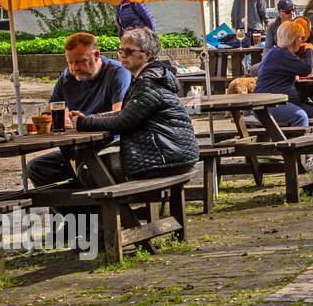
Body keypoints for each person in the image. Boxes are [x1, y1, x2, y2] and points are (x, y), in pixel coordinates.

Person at [70, 27, 199, 181]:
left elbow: (124, 121)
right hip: (173, 154)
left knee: (88, 170)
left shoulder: (149, 83)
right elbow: (127, 113)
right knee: (89, 167)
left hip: (164, 158)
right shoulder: (149, 78)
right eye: (120, 50)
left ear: (147, 55)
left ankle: (113, 206)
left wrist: (84, 122)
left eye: (129, 51)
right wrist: (90, 118)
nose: (123, 55)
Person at [28, 33, 132, 187]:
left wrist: (86, 121)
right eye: (70, 62)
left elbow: (119, 113)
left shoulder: (117, 72)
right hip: (77, 148)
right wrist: (52, 119)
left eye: (79, 62)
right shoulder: (67, 77)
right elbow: (49, 111)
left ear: (96, 55)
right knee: (36, 168)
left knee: (87, 171)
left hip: (110, 146)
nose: (74, 68)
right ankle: (79, 209)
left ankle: (92, 208)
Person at [252, 20, 313, 129]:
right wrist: (308, 50)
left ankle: (312, 145)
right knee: (300, 116)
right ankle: (297, 145)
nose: (302, 41)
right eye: (301, 38)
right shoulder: (281, 54)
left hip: (281, 102)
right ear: (295, 39)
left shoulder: (279, 53)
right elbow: (306, 68)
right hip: (268, 105)